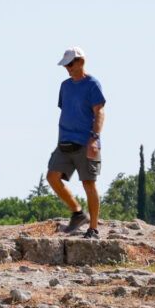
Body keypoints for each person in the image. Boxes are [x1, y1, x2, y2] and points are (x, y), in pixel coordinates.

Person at [46, 47, 106, 238]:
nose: (68, 68)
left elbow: (99, 112)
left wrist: (94, 138)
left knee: (89, 183)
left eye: (71, 64)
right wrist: (59, 138)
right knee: (52, 177)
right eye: (66, 65)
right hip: (65, 142)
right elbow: (66, 113)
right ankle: (78, 213)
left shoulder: (92, 84)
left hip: (86, 142)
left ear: (82, 62)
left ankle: (93, 228)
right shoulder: (65, 86)